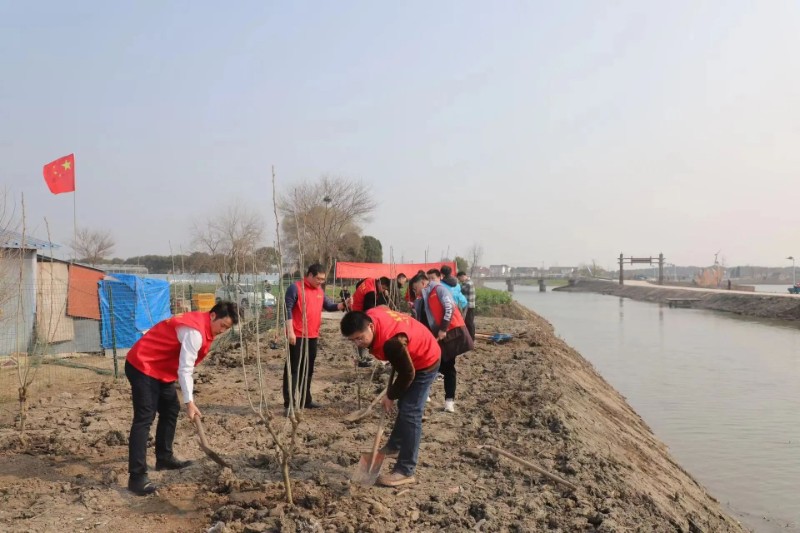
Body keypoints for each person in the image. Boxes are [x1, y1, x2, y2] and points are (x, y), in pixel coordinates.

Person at [125, 301, 239, 496]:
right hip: (143, 364)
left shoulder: (204, 326)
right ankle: (136, 477)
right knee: (145, 418)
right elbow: (185, 369)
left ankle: (164, 458)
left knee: (170, 409)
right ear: (212, 316)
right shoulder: (194, 332)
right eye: (223, 326)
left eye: (227, 329)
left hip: (160, 369)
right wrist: (190, 402)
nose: (223, 331)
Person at [340, 307, 441, 487]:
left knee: (411, 412)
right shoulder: (372, 315)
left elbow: (408, 374)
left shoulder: (391, 344)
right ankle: (395, 446)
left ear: (370, 326)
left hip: (425, 360)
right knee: (405, 405)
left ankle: (405, 470)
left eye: (360, 338)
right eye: (352, 340)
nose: (357, 343)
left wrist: (390, 395)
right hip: (408, 353)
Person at [284, 264, 347, 414]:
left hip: (313, 335)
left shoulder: (319, 290)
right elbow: (287, 310)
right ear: (310, 275)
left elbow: (329, 306)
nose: (321, 281)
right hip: (298, 335)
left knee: (308, 369)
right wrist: (290, 332)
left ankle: (306, 399)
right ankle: (289, 404)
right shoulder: (295, 288)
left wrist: (343, 305)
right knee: (293, 369)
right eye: (318, 278)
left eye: (323, 279)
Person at [410, 273, 473, 413]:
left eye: (416, 287)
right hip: (433, 338)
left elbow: (449, 308)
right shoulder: (421, 299)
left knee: (449, 367)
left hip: (449, 334)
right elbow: (421, 319)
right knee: (430, 366)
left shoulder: (439, 289)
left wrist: (443, 329)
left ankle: (449, 401)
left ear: (423, 283)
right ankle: (425, 395)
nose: (415, 291)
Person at [457, 271, 476, 340]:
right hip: (468, 305)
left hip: (469, 306)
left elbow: (460, 290)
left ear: (463, 276)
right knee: (468, 322)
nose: (459, 280)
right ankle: (470, 337)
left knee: (469, 322)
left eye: (459, 279)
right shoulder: (467, 283)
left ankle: (471, 338)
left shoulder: (468, 284)